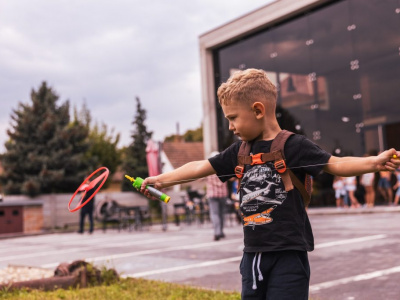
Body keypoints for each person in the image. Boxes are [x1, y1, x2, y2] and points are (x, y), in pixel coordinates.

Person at [138, 69, 400, 299]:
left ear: (258, 110)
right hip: (252, 256)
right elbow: (199, 167)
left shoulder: (294, 146)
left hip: (289, 256)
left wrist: (373, 163)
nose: (230, 126)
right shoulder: (238, 152)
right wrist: (161, 180)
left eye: (233, 118)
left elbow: (335, 164)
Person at [206, 151, 229, 241]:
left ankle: (217, 232)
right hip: (223, 194)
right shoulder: (224, 168)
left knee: (214, 214)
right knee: (221, 214)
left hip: (212, 195)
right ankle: (221, 231)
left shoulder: (208, 169)